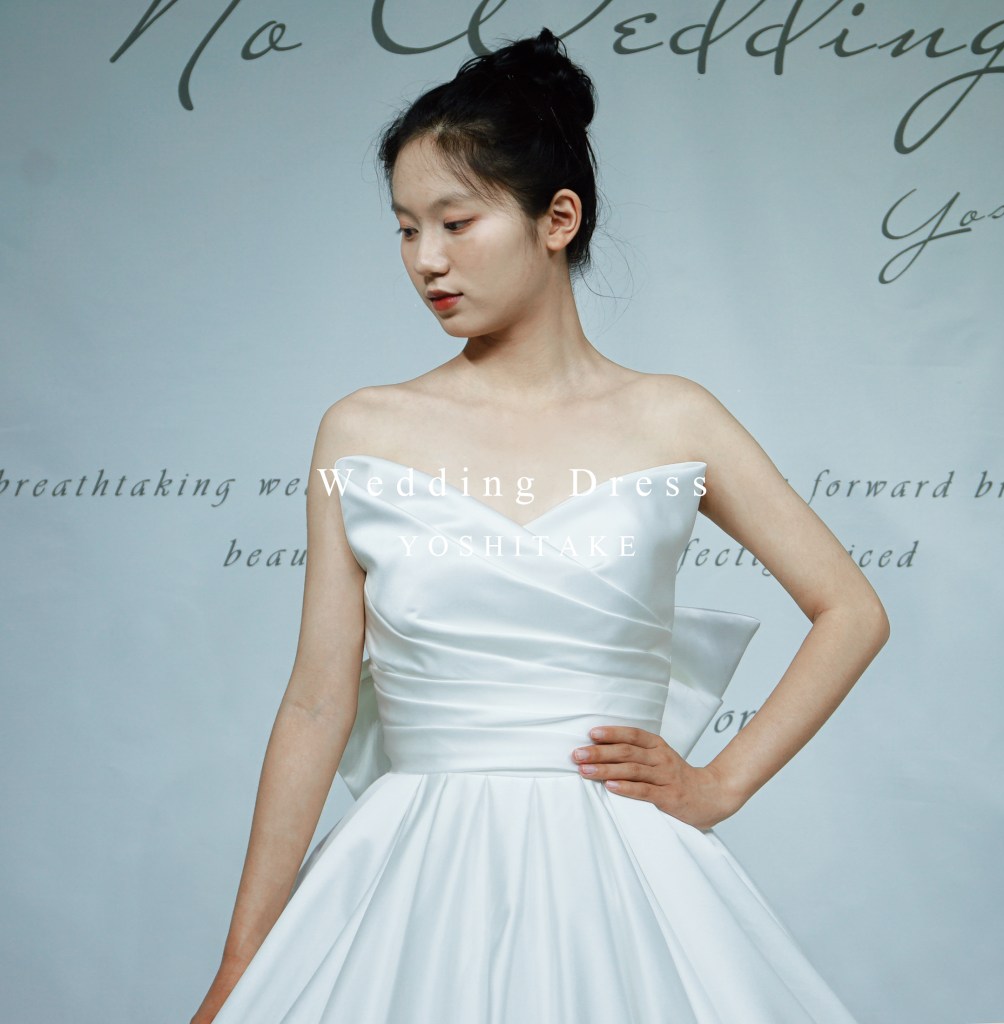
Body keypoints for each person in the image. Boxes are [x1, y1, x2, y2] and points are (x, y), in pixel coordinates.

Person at [191, 27, 888, 1024]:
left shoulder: (672, 417)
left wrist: (719, 785)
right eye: (404, 229)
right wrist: (240, 965)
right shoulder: (363, 430)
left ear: (557, 218)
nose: (427, 259)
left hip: (625, 878)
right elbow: (314, 704)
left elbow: (851, 610)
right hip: (413, 881)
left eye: (455, 221)